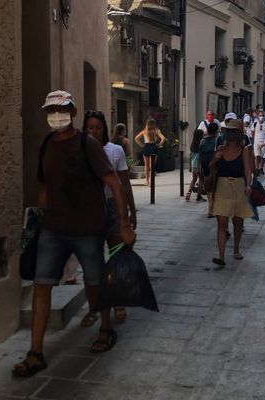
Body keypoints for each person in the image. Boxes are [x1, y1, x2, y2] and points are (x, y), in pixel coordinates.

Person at [12, 91, 136, 378]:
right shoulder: (46, 144)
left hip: (88, 229)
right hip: (53, 229)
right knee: (42, 286)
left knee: (94, 282)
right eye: (51, 109)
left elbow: (114, 183)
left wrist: (124, 224)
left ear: (73, 111)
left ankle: (105, 328)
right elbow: (43, 185)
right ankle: (35, 353)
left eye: (62, 108)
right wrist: (38, 220)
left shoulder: (88, 145)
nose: (57, 113)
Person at [82, 110, 137, 326]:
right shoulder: (80, 150)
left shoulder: (115, 151)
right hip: (89, 210)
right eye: (90, 128)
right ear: (85, 129)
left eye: (98, 127)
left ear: (105, 129)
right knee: (92, 264)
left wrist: (131, 211)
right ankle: (93, 307)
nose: (94, 131)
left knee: (116, 258)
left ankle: (118, 302)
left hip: (113, 208)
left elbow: (124, 184)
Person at [209, 119, 254, 266]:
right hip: (222, 186)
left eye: (233, 132)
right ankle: (221, 255)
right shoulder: (221, 149)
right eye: (228, 131)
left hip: (238, 186)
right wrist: (215, 159)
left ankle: (236, 249)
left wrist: (249, 185)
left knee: (237, 221)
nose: (230, 134)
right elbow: (210, 167)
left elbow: (248, 169)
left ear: (239, 134)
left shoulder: (244, 150)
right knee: (222, 223)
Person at [135, 118, 166, 186]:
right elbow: (163, 138)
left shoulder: (144, 131)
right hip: (154, 147)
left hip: (146, 147)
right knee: (152, 166)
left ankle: (147, 181)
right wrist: (159, 145)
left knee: (146, 166)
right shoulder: (156, 130)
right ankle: (152, 181)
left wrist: (142, 145)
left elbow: (136, 138)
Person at [198, 122, 220, 218]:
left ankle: (210, 209)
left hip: (205, 168)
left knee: (208, 190)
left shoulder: (202, 141)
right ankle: (212, 209)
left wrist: (199, 168)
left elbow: (199, 155)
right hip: (215, 168)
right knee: (215, 189)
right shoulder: (217, 141)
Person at [186, 129, 206, 202]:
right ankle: (199, 195)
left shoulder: (193, 144)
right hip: (199, 164)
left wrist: (190, 167)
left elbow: (191, 156)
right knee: (201, 179)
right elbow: (201, 155)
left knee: (194, 179)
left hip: (193, 164)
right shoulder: (202, 143)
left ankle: (189, 192)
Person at [252, 110, 265, 175]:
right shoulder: (255, 124)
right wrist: (254, 140)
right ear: (258, 116)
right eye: (260, 115)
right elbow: (252, 132)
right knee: (256, 156)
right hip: (256, 142)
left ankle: (261, 168)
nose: (261, 117)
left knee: (262, 157)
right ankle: (256, 169)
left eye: (262, 115)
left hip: (264, 142)